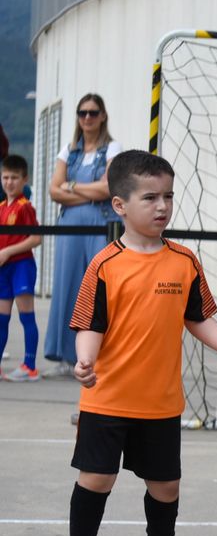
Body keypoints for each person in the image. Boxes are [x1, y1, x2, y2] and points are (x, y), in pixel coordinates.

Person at [54, 150, 217, 536]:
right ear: (120, 205)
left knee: (166, 484)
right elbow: (89, 324)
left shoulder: (184, 261)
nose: (163, 206)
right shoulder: (105, 265)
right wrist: (84, 360)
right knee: (96, 479)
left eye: (168, 195)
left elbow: (198, 318)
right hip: (107, 397)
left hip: (161, 401)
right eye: (150, 197)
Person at [43, 94, 123, 378]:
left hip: (100, 228)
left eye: (92, 112)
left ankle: (99, 356)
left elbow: (109, 189)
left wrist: (72, 186)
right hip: (70, 230)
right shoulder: (69, 150)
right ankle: (66, 356)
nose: (87, 118)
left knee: (98, 291)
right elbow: (54, 190)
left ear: (102, 115)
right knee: (67, 288)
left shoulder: (112, 148)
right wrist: (90, 191)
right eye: (82, 113)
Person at [1, 155, 42, 381]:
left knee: (26, 316)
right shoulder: (1, 207)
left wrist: (8, 252)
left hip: (21, 265)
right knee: (1, 319)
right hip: (4, 269)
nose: (9, 182)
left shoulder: (25, 207)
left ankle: (30, 366)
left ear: (24, 179)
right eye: (5, 177)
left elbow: (36, 239)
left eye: (14, 178)